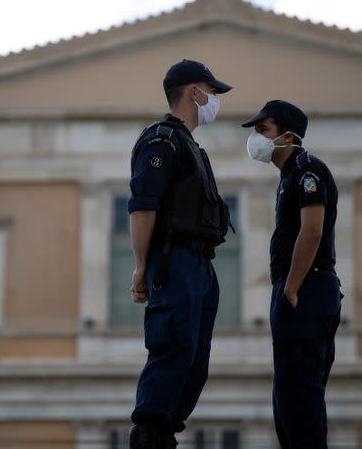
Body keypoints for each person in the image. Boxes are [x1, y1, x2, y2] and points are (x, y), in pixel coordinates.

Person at [127, 59, 233, 449]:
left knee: (193, 362)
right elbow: (142, 208)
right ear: (194, 92)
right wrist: (141, 267)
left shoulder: (189, 144)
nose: (214, 100)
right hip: (176, 262)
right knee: (172, 351)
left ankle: (166, 431)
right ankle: (150, 434)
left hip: (200, 264)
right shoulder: (161, 141)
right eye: (212, 91)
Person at [242, 100, 342, 449]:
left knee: (300, 395)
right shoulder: (290, 175)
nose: (256, 138)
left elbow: (311, 230)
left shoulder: (306, 169)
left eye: (262, 130)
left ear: (286, 135)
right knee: (287, 395)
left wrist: (292, 287)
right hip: (297, 287)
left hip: (307, 287)